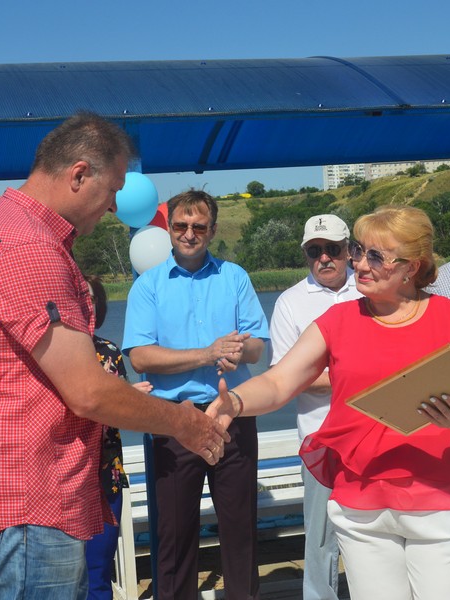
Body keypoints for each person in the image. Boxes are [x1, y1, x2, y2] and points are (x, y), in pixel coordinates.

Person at [0, 113, 229, 599]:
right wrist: (184, 422)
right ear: (78, 174)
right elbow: (88, 391)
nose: (114, 206)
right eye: (113, 189)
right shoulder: (28, 247)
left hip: (17, 489)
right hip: (31, 494)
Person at [209, 205, 450, 600]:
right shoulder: (337, 321)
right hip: (362, 507)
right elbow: (279, 383)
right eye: (360, 251)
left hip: (445, 505)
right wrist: (235, 402)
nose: (360, 264)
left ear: (412, 266)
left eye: (376, 256)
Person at [123, 189, 269, 600]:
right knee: (174, 536)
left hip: (232, 415)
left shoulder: (235, 277)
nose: (189, 234)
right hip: (173, 419)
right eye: (181, 225)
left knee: (241, 532)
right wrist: (208, 353)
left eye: (199, 226)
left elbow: (258, 346)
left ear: (213, 230)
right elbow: (140, 356)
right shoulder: (148, 286)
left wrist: (240, 351)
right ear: (169, 229)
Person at [269, 214, 362, 600]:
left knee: (374, 533)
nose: (324, 258)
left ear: (349, 250)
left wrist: (327, 374)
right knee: (321, 539)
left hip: (375, 434)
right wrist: (359, 377)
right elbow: (284, 376)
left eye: (333, 249)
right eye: (314, 250)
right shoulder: (289, 302)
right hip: (319, 440)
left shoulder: (371, 289)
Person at [84, 275, 152, 599]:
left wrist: (131, 401)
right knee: (64, 575)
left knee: (98, 570)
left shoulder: (109, 352)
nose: (85, 305)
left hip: (106, 473)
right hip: (62, 478)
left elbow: (122, 411)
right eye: (77, 298)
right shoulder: (49, 355)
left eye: (91, 299)